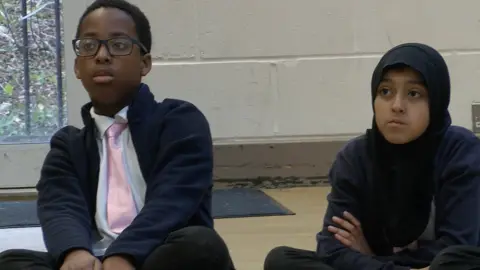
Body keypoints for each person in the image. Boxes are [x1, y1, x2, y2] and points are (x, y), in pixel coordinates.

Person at [0, 0, 234, 269]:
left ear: (144, 63)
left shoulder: (179, 121)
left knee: (200, 244)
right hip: (95, 262)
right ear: (77, 67)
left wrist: (124, 255)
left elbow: (173, 201)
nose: (101, 55)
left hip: (158, 257)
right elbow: (60, 204)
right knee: (11, 262)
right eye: (89, 46)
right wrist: (73, 253)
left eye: (119, 45)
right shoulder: (67, 145)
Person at [264, 43, 480, 270]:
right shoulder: (355, 158)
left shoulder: (461, 152)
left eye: (414, 94)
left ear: (435, 102)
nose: (397, 106)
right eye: (385, 92)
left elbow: (459, 246)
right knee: (282, 261)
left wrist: (372, 261)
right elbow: (331, 247)